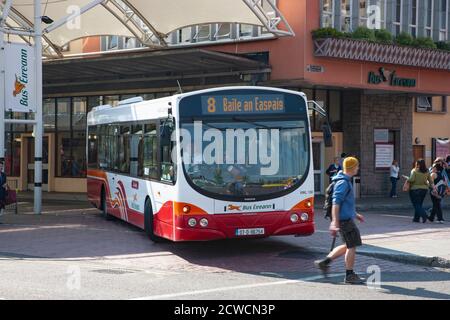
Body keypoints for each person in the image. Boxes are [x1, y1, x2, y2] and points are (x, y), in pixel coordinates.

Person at [314, 157, 366, 284]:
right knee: (352, 245)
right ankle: (349, 275)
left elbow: (345, 203)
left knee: (348, 244)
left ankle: (325, 262)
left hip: (345, 219)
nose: (358, 168)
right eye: (357, 166)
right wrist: (334, 222)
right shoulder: (343, 182)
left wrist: (355, 214)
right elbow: (336, 203)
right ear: (352, 167)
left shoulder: (344, 180)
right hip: (344, 221)